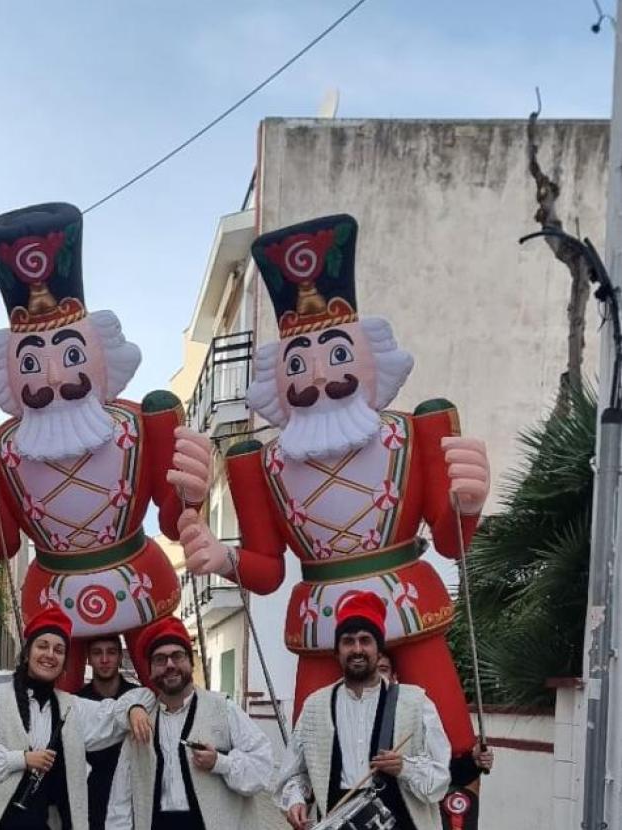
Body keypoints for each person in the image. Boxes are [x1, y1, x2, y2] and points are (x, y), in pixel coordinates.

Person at [179, 213, 490, 784]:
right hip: (321, 622)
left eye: (337, 354)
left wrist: (468, 503)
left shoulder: (417, 430)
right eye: (298, 363)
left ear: (370, 359)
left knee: (448, 748)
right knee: (314, 754)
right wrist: (220, 558)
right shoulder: (259, 462)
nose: (319, 377)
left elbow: (448, 539)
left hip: (408, 606)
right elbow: (268, 570)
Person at [0, 201, 212, 690]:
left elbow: (175, 523)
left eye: (70, 355)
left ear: (99, 354)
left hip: (138, 578)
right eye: (31, 363)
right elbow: (4, 544)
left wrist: (196, 493)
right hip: (53, 592)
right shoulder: (3, 446)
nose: (53, 378)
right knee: (50, 706)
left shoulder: (141, 421)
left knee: (168, 693)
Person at [0, 606, 155, 830]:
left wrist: (134, 707)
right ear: (27, 653)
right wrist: (21, 759)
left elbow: (118, 713)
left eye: (59, 650)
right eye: (42, 646)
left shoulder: (70, 706)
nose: (50, 654)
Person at [277, 592, 451, 830]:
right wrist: (296, 801)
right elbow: (296, 774)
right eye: (348, 641)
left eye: (365, 640)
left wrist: (405, 767)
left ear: (379, 651)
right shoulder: (315, 706)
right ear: (337, 652)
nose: (357, 649)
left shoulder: (416, 703)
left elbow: (440, 779)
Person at [105, 616, 275, 830]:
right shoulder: (141, 721)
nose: (169, 665)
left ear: (190, 662)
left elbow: (262, 767)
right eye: (159, 659)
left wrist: (220, 763)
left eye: (177, 656)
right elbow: (121, 796)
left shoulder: (223, 708)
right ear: (150, 671)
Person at [377, 650, 494, 830]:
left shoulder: (416, 711)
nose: (377, 676)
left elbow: (441, 773)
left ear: (394, 677)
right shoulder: (338, 713)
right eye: (372, 669)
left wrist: (472, 762)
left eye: (383, 669)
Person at [77, 635, 140, 830]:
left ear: (120, 656)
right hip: (88, 804)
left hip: (131, 803)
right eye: (97, 653)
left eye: (111, 652)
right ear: (88, 658)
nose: (104, 660)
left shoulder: (139, 698)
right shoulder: (76, 702)